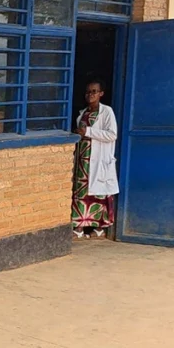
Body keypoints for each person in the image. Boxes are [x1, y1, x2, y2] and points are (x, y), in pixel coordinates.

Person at [72, 78, 119, 238]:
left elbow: (112, 135)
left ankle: (99, 229)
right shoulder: (83, 113)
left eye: (94, 91)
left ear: (101, 94)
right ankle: (78, 228)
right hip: (83, 159)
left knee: (99, 195)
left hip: (98, 159)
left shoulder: (106, 112)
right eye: (88, 92)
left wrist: (88, 132)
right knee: (81, 192)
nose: (90, 94)